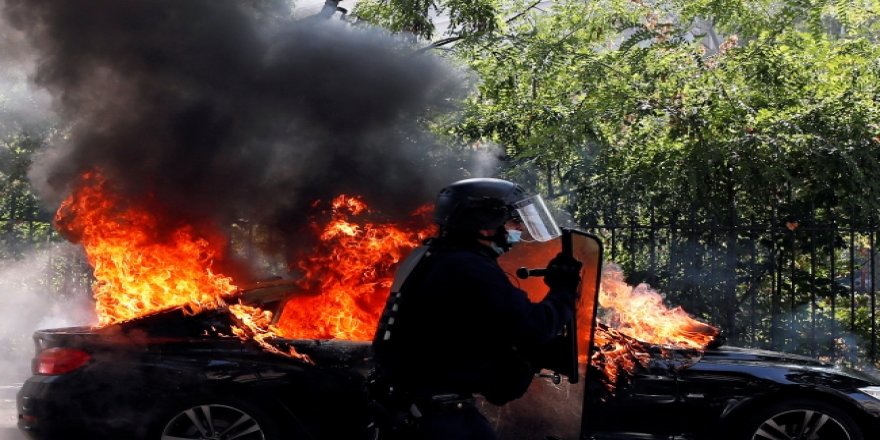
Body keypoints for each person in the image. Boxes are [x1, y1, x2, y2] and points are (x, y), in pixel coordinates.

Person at [370, 178, 582, 440]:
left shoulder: (432, 256)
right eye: (513, 221)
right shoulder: (467, 267)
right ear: (485, 225)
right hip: (440, 420)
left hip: (409, 410)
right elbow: (534, 328)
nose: (519, 230)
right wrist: (564, 289)